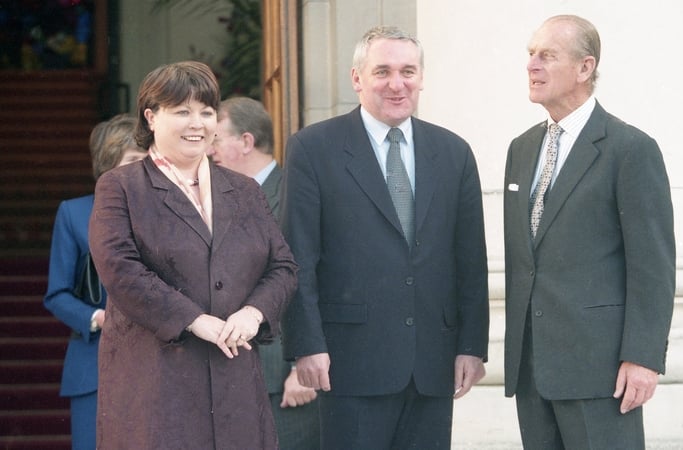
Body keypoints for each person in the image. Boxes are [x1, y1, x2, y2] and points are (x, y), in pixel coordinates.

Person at [281, 25, 490, 449]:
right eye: (383, 72)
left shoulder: (454, 152)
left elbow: (471, 260)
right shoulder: (313, 148)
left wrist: (472, 345)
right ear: (357, 79)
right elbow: (297, 255)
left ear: (422, 78)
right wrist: (307, 345)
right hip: (348, 362)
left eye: (408, 71)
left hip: (433, 362)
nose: (397, 84)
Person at [88, 61, 298, 449]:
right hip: (157, 385)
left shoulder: (245, 189)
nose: (197, 123)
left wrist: (254, 313)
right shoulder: (121, 187)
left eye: (206, 112)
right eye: (182, 111)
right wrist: (194, 319)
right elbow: (119, 270)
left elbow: (282, 266)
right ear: (151, 117)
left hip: (236, 383)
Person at [503, 15, 676, 449]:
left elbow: (652, 266)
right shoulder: (521, 149)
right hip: (532, 369)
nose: (532, 65)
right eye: (530, 54)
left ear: (585, 68)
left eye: (547, 55)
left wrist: (642, 357)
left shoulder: (630, 149)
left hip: (601, 373)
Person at [209, 96, 320, 449]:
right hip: (240, 374)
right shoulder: (224, 197)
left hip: (287, 378)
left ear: (245, 141)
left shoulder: (295, 192)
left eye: (216, 138)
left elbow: (308, 280)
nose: (209, 149)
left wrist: (303, 365)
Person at [43, 114, 147, 450]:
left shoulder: (170, 211)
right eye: (133, 160)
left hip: (159, 364)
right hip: (95, 364)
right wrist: (98, 318)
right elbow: (57, 294)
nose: (142, 168)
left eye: (147, 160)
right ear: (108, 162)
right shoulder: (73, 214)